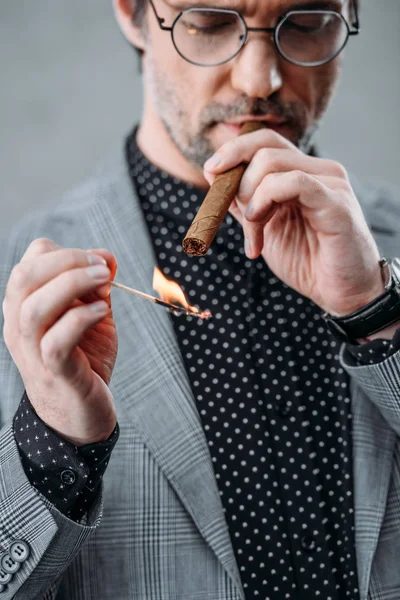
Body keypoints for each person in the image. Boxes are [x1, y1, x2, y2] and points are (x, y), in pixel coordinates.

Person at [1, 0, 400, 598]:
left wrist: (378, 317)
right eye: (211, 24)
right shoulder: (23, 281)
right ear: (132, 15)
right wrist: (57, 445)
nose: (259, 79)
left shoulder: (387, 252)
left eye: (309, 22)